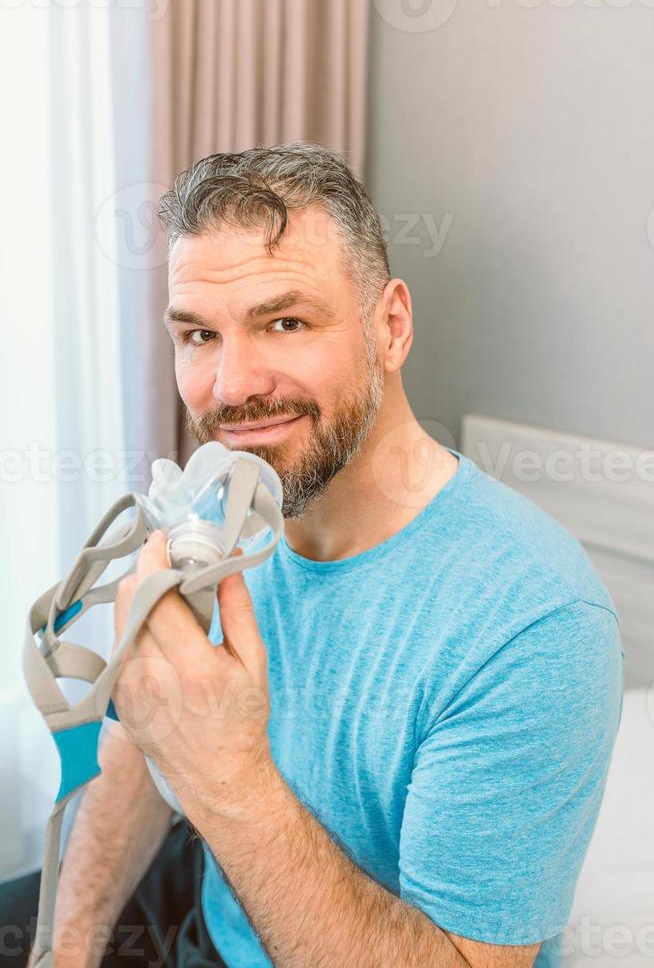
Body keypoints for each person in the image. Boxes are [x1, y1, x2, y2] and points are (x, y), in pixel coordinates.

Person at [0, 142, 623, 968]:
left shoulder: (531, 625)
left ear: (390, 326)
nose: (230, 387)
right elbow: (138, 747)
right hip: (204, 901)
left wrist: (230, 779)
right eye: (198, 334)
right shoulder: (220, 519)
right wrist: (65, 952)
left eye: (284, 322)